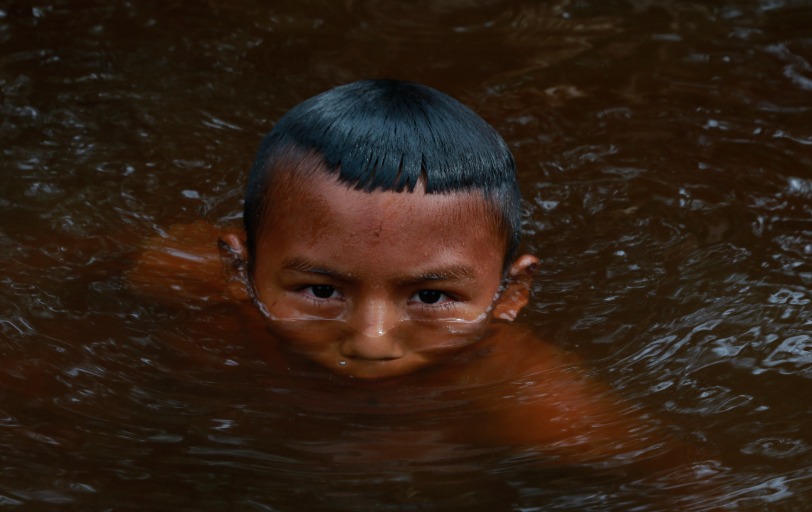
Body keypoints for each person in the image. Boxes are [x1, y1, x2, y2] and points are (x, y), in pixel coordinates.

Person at [129, 80, 718, 492]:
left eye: (431, 297)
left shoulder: (517, 383)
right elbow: (73, 255)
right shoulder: (186, 279)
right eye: (321, 291)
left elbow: (676, 476)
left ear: (511, 294)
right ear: (239, 271)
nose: (372, 340)